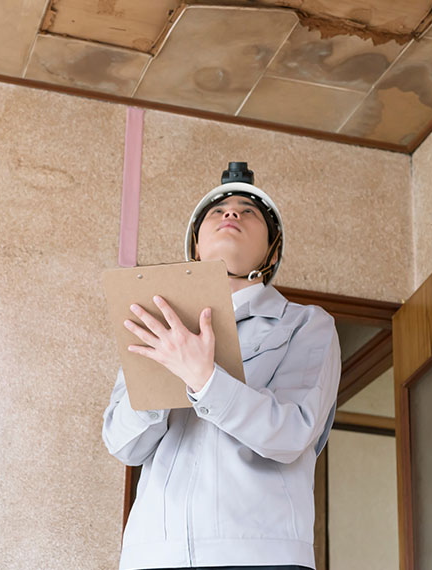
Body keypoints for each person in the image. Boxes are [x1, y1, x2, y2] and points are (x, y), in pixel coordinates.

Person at [102, 162, 341, 570]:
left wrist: (205, 379)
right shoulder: (156, 323)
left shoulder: (305, 325)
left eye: (249, 212)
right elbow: (123, 443)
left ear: (273, 250)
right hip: (154, 556)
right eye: (218, 211)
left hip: (258, 554)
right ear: (195, 245)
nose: (232, 213)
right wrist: (164, 375)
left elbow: (291, 433)